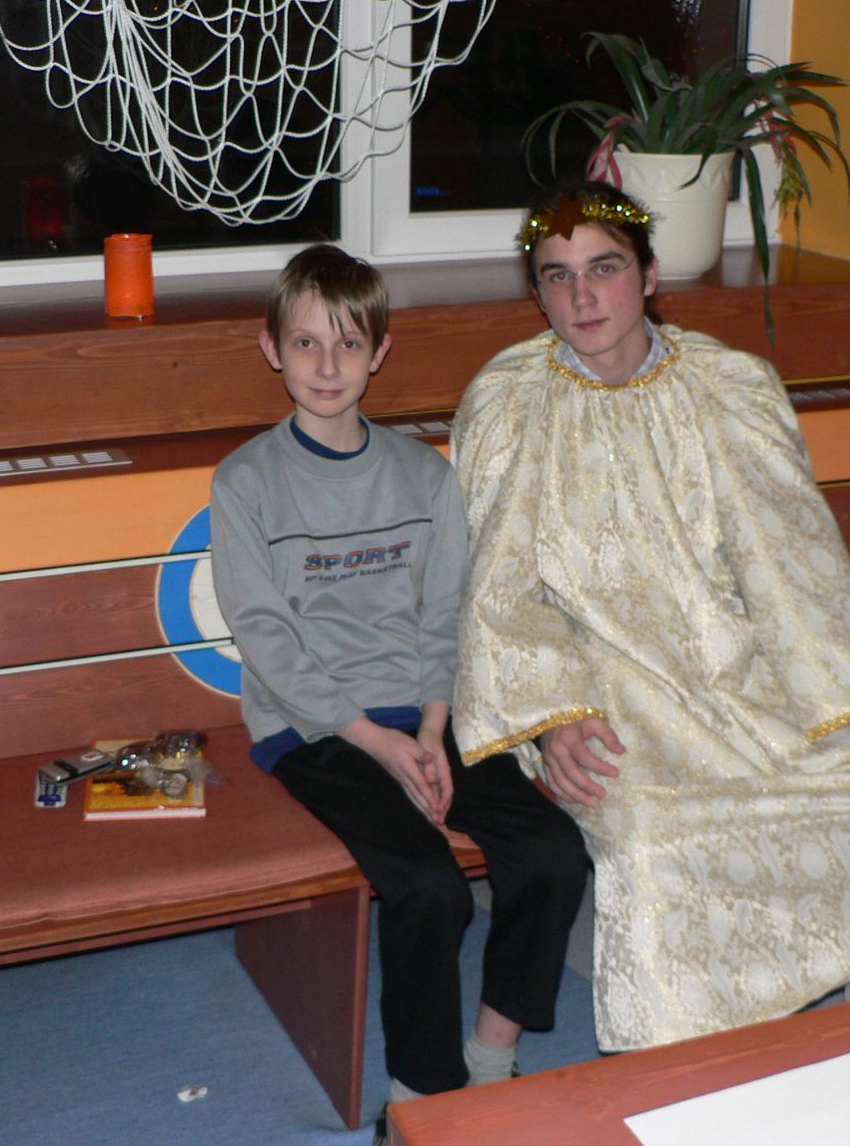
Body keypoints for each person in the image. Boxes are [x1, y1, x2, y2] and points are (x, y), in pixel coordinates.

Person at [450, 180, 850, 1053]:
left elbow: (793, 557)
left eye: (604, 268)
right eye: (558, 276)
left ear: (649, 276)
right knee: (658, 844)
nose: (582, 296)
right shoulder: (509, 400)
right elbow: (496, 587)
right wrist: (553, 716)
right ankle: (683, 1073)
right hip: (598, 687)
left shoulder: (730, 385)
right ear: (537, 295)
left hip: (743, 670)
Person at [208, 244, 589, 1141]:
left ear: (379, 352)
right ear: (271, 350)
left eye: (348, 343)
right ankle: (421, 1100)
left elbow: (443, 614)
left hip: (426, 716)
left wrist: (430, 725)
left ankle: (491, 1058)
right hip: (313, 731)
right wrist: (375, 740)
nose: (327, 365)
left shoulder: (424, 475)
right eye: (306, 343)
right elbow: (265, 638)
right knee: (429, 886)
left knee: (552, 852)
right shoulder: (246, 482)